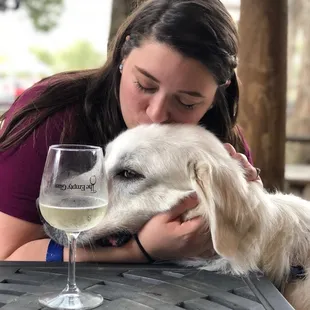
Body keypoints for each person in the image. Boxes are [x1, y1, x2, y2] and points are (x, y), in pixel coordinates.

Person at [0, 0, 261, 262]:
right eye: (145, 85)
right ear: (123, 54)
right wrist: (137, 251)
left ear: (216, 95)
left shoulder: (219, 145)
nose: (157, 114)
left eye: (187, 102)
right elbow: (7, 254)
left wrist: (246, 204)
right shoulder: (52, 119)